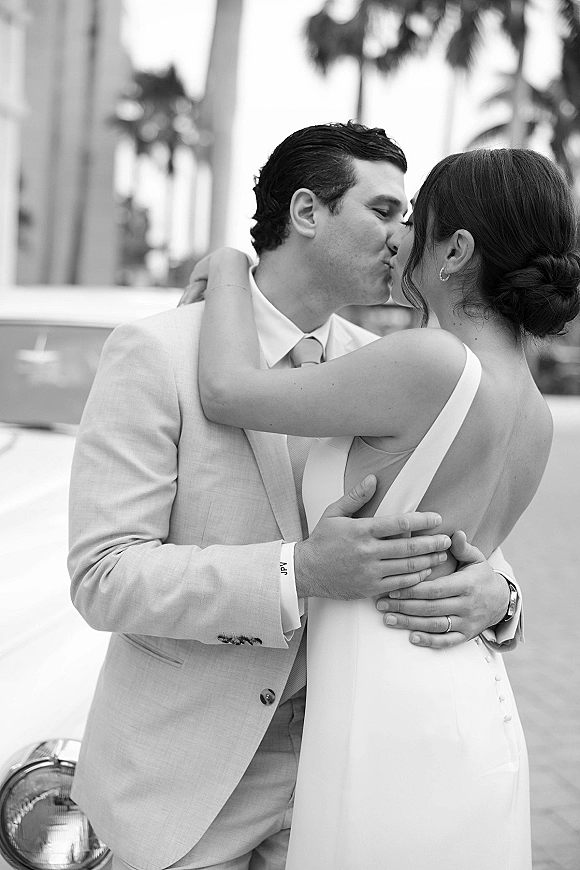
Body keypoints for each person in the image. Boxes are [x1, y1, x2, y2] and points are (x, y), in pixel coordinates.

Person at [68, 123, 522, 870]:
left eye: (408, 218)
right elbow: (104, 576)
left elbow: (470, 531)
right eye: (383, 212)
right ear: (307, 212)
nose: (402, 240)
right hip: (186, 786)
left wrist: (498, 596)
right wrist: (298, 572)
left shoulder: (389, 368)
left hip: (346, 779)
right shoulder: (158, 354)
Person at [194, 145, 580, 869]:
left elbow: (227, 392)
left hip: (389, 718)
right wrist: (501, 595)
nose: (399, 237)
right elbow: (473, 556)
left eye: (416, 221)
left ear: (456, 249)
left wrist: (225, 268)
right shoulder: (533, 409)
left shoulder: (425, 360)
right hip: (467, 699)